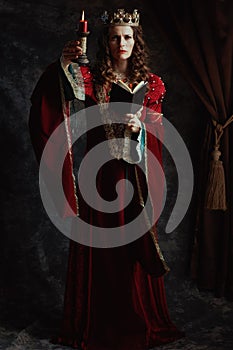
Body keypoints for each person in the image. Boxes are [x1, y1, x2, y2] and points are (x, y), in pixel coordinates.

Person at [29, 8, 184, 350]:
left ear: (136, 40)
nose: (121, 43)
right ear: (105, 41)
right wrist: (65, 62)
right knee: (101, 248)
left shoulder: (153, 83)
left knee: (133, 248)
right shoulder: (93, 79)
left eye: (127, 37)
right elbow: (58, 90)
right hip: (100, 177)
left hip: (138, 176)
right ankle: (97, 321)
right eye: (114, 37)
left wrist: (139, 128)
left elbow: (158, 128)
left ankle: (139, 317)